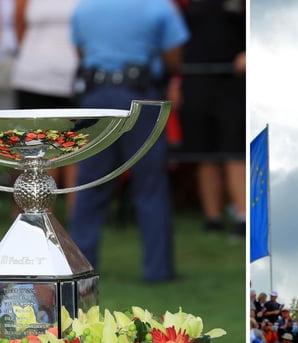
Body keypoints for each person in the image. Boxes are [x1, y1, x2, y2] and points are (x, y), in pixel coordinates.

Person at [68, 0, 188, 282]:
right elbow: (174, 59)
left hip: (96, 95)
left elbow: (80, 50)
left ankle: (79, 269)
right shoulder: (159, 6)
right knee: (150, 185)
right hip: (141, 95)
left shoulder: (85, 6)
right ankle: (159, 270)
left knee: (90, 185)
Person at [177, 0, 245, 237]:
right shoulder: (185, 5)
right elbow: (173, 40)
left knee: (235, 151)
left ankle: (242, 218)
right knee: (203, 153)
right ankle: (213, 218)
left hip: (234, 83)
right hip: (195, 81)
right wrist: (175, 80)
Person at [10, 0, 79, 216]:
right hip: (32, 78)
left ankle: (74, 213)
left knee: (72, 147)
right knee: (36, 147)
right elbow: (19, 26)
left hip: (72, 77)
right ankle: (39, 210)